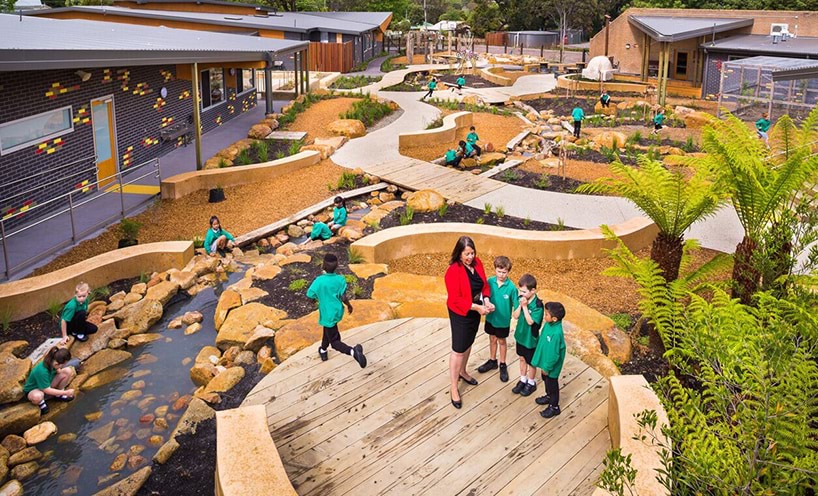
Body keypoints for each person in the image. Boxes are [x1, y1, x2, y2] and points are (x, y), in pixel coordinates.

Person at [444, 236, 493, 409]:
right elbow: (455, 299)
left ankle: (463, 371)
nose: (470, 257)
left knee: (468, 342)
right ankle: (453, 387)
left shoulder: (477, 263)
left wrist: (486, 300)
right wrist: (476, 307)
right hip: (460, 312)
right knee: (458, 348)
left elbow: (484, 285)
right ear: (459, 254)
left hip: (475, 308)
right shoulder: (453, 271)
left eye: (472, 253)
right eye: (466, 254)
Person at [306, 253, 367, 368]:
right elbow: (343, 297)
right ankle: (323, 350)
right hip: (336, 310)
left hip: (327, 313)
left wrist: (314, 301)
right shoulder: (340, 279)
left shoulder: (319, 281)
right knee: (328, 329)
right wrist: (349, 305)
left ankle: (353, 352)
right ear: (337, 265)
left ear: (323, 265)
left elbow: (310, 295)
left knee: (334, 342)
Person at [477, 256, 518, 382]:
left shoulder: (511, 288)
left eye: (504, 272)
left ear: (508, 272)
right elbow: (483, 296)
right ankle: (492, 360)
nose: (501, 274)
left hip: (503, 321)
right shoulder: (490, 282)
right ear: (495, 270)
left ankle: (503, 364)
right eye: (499, 271)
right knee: (492, 338)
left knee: (502, 341)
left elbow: (516, 305)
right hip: (491, 319)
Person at [510, 274, 544, 397]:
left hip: (530, 339)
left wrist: (525, 307)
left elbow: (531, 322)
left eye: (524, 291)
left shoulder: (538, 305)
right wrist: (520, 305)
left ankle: (531, 382)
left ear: (533, 290)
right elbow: (515, 315)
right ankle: (523, 379)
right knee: (522, 358)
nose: (521, 293)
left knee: (531, 362)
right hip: (521, 336)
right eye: (520, 290)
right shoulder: (521, 299)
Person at [532, 301, 567, 419]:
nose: (544, 316)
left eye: (546, 314)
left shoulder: (556, 333)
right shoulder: (548, 325)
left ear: (555, 319)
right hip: (545, 363)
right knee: (546, 380)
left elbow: (554, 355)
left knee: (552, 384)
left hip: (551, 366)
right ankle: (548, 396)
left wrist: (546, 368)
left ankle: (554, 406)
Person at [24, 347, 79, 414]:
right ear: (56, 364)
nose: (62, 367)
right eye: (62, 365)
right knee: (37, 396)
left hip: (47, 383)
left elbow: (59, 371)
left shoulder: (52, 362)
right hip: (35, 389)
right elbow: (46, 390)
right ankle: (41, 402)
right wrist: (66, 393)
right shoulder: (42, 371)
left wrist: (58, 370)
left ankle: (58, 394)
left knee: (67, 371)